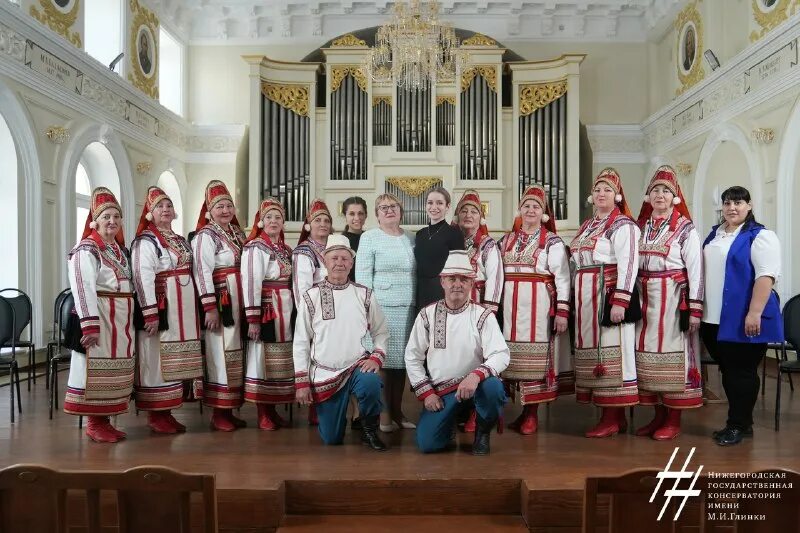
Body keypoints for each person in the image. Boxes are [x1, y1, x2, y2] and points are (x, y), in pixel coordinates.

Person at [405, 250, 510, 455]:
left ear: (472, 284)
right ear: (442, 282)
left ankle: (482, 431)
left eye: (464, 279)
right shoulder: (427, 314)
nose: (457, 284)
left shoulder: (483, 315)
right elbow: (412, 356)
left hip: (474, 386)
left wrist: (475, 375)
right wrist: (427, 393)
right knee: (428, 444)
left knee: (494, 387)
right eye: (452, 279)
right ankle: (449, 421)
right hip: (442, 392)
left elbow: (501, 354)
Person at [701, 186, 782, 446]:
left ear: (749, 205)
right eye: (727, 203)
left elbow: (765, 276)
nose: (732, 208)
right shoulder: (715, 234)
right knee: (729, 371)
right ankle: (741, 422)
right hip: (713, 318)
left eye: (738, 202)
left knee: (741, 373)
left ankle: (738, 425)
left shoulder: (760, 236)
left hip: (742, 318)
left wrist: (754, 312)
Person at [293, 234, 390, 450]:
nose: (339, 263)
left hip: (356, 366)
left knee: (371, 383)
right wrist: (301, 382)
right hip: (325, 372)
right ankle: (339, 419)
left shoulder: (364, 294)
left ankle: (369, 430)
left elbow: (381, 331)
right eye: (334, 258)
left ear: (351, 263)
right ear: (325, 261)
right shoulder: (311, 296)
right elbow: (301, 341)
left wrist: (376, 356)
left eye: (345, 259)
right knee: (332, 439)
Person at [633, 166, 704, 441]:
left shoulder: (686, 229)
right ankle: (657, 416)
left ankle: (673, 418)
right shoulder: (641, 228)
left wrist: (695, 308)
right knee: (648, 358)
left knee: (674, 358)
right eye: (655, 190)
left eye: (665, 191)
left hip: (674, 299)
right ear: (648, 197)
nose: (659, 195)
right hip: (644, 298)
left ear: (674, 197)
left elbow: (696, 270)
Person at [570, 168, 641, 438]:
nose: (601, 193)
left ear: (618, 195)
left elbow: (629, 263)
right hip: (586, 297)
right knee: (593, 353)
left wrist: (621, 300)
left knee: (613, 352)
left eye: (607, 190)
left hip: (608, 293)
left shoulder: (624, 225)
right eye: (597, 189)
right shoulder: (588, 225)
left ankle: (614, 416)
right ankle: (607, 414)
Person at [498, 186, 572, 435]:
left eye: (536, 207)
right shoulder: (505, 240)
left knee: (536, 361)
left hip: (538, 308)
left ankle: (532, 415)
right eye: (527, 205)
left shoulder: (552, 242)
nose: (530, 210)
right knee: (511, 360)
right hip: (509, 310)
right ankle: (521, 412)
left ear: (544, 214)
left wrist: (562, 311)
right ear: (520, 209)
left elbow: (562, 278)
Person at [64, 188, 135, 443]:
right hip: (100, 317)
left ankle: (105, 419)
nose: (112, 221)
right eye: (106, 216)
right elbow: (82, 287)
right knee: (93, 369)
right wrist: (90, 326)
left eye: (116, 216)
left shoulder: (117, 249)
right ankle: (94, 423)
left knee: (115, 370)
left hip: (120, 319)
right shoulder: (86, 249)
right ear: (95, 220)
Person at [131, 186, 203, 434]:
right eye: (160, 206)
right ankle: (156, 413)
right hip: (163, 307)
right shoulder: (145, 241)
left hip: (183, 308)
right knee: (157, 356)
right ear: (150, 213)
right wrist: (150, 311)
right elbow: (142, 276)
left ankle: (168, 410)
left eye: (169, 205)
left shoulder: (180, 240)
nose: (166, 209)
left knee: (176, 359)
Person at [356, 193, 416, 432]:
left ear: (401, 211)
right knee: (381, 362)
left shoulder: (411, 237)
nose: (389, 210)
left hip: (408, 306)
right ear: (377, 213)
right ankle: (383, 415)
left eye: (393, 206)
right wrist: (367, 307)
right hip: (381, 307)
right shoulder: (370, 237)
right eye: (383, 207)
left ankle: (398, 411)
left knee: (401, 364)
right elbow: (362, 276)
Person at [193, 180, 247, 431]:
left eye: (229, 205)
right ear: (209, 211)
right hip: (222, 299)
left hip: (239, 300)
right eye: (219, 207)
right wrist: (209, 307)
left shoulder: (238, 233)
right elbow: (201, 271)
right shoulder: (206, 235)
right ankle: (219, 411)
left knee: (236, 353)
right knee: (220, 352)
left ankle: (230, 407)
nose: (225, 211)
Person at [242, 198, 295, 430]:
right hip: (266, 307)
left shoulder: (285, 249)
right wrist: (253, 318)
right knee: (262, 357)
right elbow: (251, 281)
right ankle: (263, 411)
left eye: (278, 217)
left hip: (285, 308)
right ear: (261, 221)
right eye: (269, 217)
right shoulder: (256, 247)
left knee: (280, 359)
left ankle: (273, 409)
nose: (273, 221)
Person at [292, 198, 333, 426]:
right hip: (314, 313)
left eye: (326, 220)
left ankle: (330, 403)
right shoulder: (303, 252)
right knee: (315, 359)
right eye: (318, 220)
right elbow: (302, 290)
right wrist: (307, 319)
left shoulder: (333, 248)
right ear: (308, 225)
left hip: (334, 312)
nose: (323, 224)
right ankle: (315, 408)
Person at [414, 186, 465, 311]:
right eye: (430, 203)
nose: (434, 207)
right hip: (420, 292)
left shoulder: (454, 233)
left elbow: (458, 269)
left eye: (439, 203)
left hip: (443, 293)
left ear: (447, 207)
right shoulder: (420, 234)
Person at [453, 189, 503, 313]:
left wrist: (489, 311)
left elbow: (495, 278)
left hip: (477, 307)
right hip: (452, 304)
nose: (468, 215)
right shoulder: (450, 243)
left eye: (474, 212)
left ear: (480, 218)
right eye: (464, 211)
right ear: (457, 217)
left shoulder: (488, 245)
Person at [342, 196, 368, 282]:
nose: (357, 218)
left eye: (360, 213)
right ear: (345, 216)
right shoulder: (340, 241)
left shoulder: (370, 238)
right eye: (352, 214)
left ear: (366, 215)